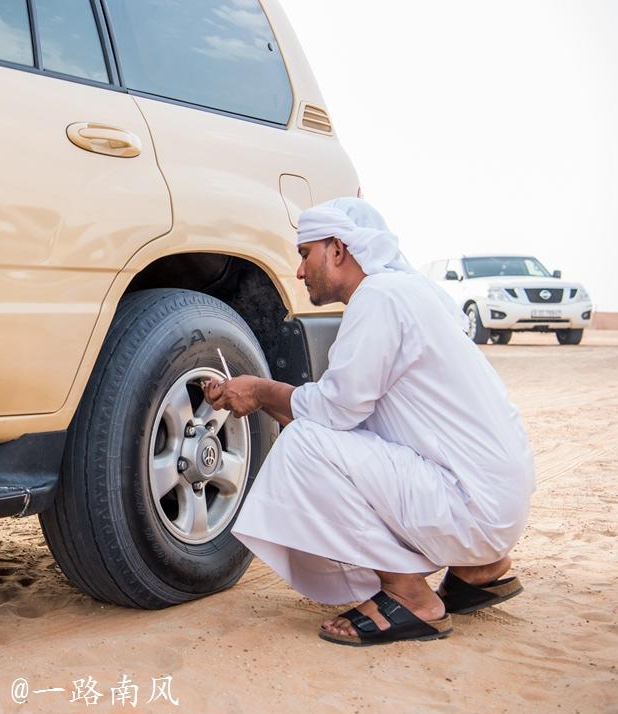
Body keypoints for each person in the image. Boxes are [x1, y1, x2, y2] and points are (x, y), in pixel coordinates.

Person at [203, 198, 535, 646]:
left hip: (473, 507)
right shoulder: (405, 293)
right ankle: (479, 568)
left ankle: (409, 596)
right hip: (498, 504)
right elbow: (347, 411)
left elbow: (333, 413)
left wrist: (260, 391)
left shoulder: (378, 297)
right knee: (319, 433)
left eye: (305, 254)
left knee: (304, 444)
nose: (300, 272)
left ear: (337, 249)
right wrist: (261, 394)